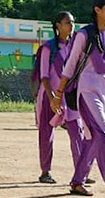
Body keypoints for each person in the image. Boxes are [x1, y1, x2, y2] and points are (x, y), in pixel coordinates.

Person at [55, 0, 105, 198]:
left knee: (91, 140)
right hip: (87, 93)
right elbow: (70, 65)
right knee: (104, 136)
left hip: (104, 94)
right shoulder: (84, 35)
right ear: (97, 10)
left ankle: (78, 181)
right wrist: (59, 93)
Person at [33, 12, 84, 185]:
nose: (72, 26)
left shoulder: (76, 47)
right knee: (47, 134)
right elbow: (44, 76)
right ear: (57, 26)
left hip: (70, 96)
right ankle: (45, 171)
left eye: (73, 22)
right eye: (67, 22)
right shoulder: (48, 48)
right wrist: (52, 97)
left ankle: (81, 171)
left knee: (77, 131)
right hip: (50, 96)